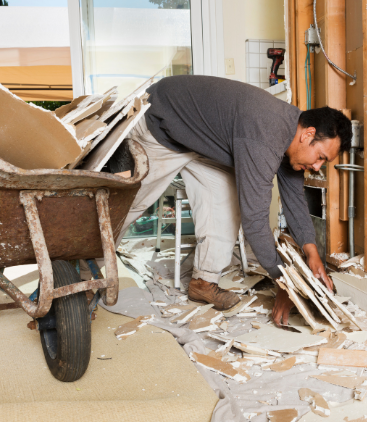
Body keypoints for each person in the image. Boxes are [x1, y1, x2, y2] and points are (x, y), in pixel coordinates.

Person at [119, 75, 352, 327]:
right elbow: (255, 221)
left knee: (224, 204)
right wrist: (283, 281)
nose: (317, 167)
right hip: (161, 125)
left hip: (202, 142)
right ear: (308, 135)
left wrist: (311, 251)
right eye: (320, 157)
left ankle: (203, 283)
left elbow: (294, 198)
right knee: (128, 205)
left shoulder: (290, 138)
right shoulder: (264, 137)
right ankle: (89, 272)